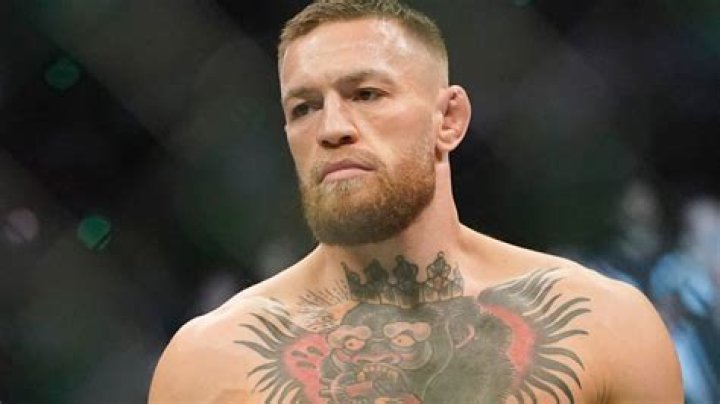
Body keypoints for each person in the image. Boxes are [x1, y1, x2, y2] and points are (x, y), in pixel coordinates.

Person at [149, 1, 682, 402]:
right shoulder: (209, 362)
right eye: (304, 108)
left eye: (366, 94)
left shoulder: (607, 326)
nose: (332, 128)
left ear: (448, 120)